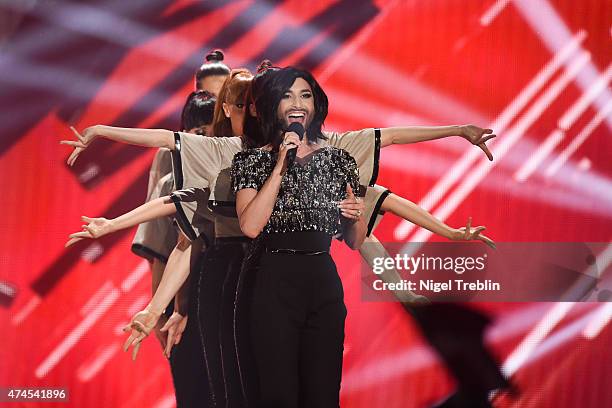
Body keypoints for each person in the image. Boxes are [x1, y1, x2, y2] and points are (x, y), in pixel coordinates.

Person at [232, 66, 366, 406]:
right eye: (287, 95)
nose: (297, 103)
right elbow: (250, 226)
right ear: (273, 105)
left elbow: (355, 240)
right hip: (273, 280)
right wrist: (280, 164)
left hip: (322, 281)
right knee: (279, 395)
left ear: (316, 104)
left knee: (322, 396)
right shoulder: (252, 161)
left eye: (305, 95)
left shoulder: (339, 160)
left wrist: (355, 214)